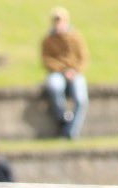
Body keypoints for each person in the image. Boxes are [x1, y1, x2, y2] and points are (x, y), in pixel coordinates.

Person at [41, 7, 88, 140]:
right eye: (56, 20)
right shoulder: (48, 39)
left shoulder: (75, 38)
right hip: (57, 72)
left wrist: (74, 71)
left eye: (60, 20)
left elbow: (83, 58)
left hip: (75, 72)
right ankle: (64, 118)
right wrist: (63, 70)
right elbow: (46, 60)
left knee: (81, 97)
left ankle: (71, 130)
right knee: (54, 86)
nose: (58, 23)